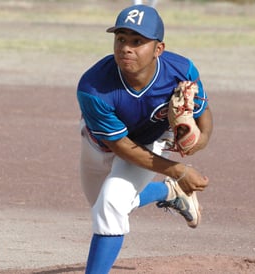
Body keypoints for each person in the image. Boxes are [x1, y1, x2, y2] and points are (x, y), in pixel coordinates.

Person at [76, 4, 213, 274]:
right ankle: (170, 191)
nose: (126, 47)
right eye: (121, 39)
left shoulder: (180, 70)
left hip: (149, 143)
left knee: (111, 205)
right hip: (98, 145)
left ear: (158, 49)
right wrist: (179, 171)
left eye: (137, 41)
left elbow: (203, 112)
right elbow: (121, 146)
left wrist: (201, 140)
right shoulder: (93, 87)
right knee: (104, 207)